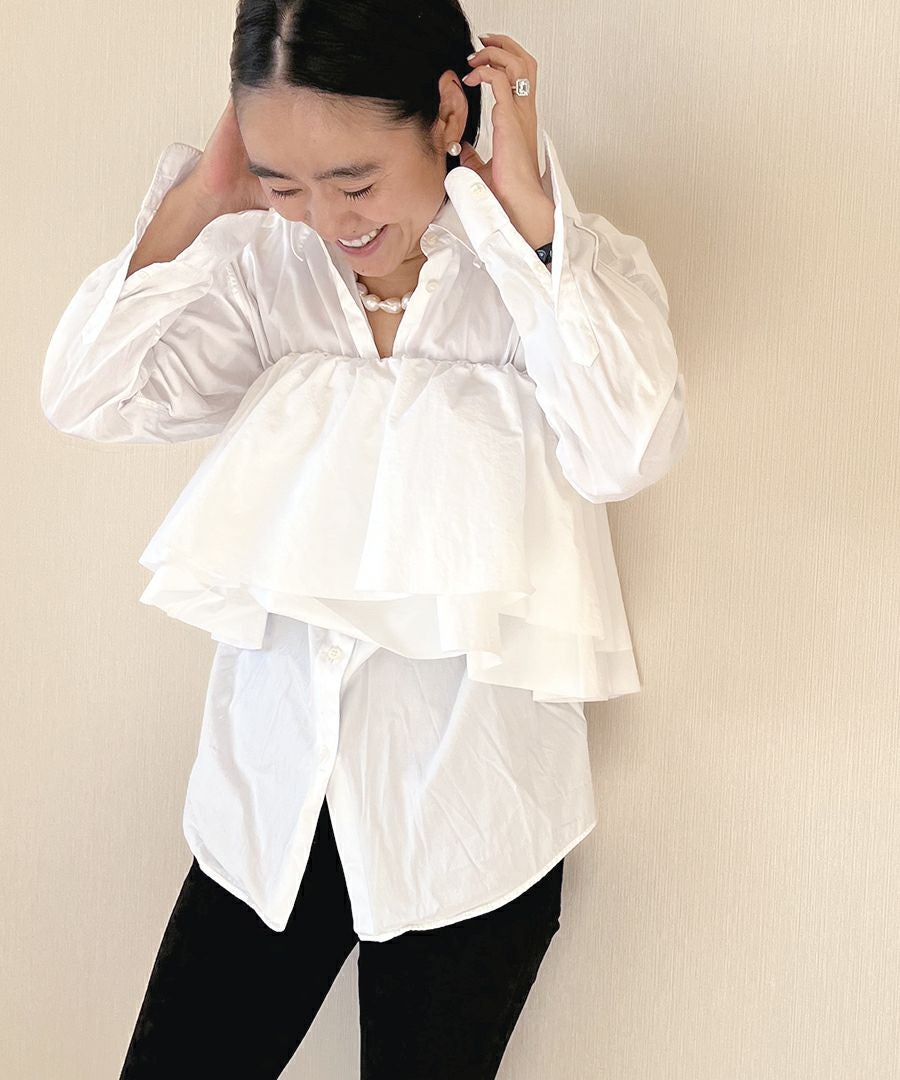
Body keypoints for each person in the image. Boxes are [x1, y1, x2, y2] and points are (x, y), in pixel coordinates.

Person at [40, 0, 689, 1076]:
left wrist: (529, 216)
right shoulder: (264, 277)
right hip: (268, 816)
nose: (325, 219)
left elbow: (626, 447)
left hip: (470, 829)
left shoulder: (547, 284)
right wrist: (200, 205)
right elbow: (87, 395)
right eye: (283, 181)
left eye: (353, 179)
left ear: (447, 112)